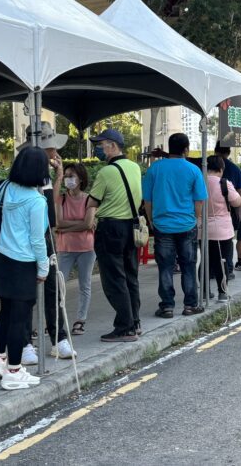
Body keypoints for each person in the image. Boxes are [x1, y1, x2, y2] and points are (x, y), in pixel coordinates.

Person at [0, 147, 50, 390]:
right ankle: (14, 371)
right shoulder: (36, 201)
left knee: (5, 311)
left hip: (2, 257)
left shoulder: (5, 189)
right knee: (20, 317)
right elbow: (38, 239)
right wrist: (43, 268)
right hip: (23, 262)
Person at [17, 122, 73, 363]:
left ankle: (58, 338)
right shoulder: (22, 176)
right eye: (52, 148)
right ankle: (25, 342)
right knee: (26, 291)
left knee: (52, 287)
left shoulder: (44, 173)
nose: (55, 153)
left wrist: (59, 176)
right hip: (26, 241)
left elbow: (51, 207)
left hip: (46, 237)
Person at [85, 128, 143, 341]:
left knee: (114, 279)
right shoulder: (134, 167)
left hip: (110, 229)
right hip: (131, 228)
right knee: (130, 276)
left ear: (112, 145)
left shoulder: (106, 172)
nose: (98, 149)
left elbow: (92, 201)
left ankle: (124, 327)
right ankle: (135, 322)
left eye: (100, 145)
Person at [143, 132, 207, 319]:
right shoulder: (193, 170)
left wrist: (151, 220)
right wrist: (196, 219)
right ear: (186, 149)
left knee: (165, 267)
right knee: (188, 265)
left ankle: (167, 307)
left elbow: (147, 200)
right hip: (187, 224)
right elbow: (199, 201)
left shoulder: (155, 169)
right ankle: (189, 305)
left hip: (162, 224)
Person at [55, 163, 96, 336]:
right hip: (64, 248)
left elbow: (88, 223)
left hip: (86, 248)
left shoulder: (89, 199)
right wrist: (79, 226)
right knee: (59, 286)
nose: (68, 179)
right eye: (66, 176)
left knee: (84, 284)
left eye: (71, 176)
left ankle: (80, 320)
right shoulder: (61, 198)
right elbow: (58, 222)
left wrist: (65, 228)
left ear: (81, 179)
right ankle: (57, 321)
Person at [205, 155, 241, 302]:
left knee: (206, 261)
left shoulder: (200, 181)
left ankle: (204, 292)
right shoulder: (224, 183)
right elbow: (236, 201)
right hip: (222, 229)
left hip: (202, 229)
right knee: (222, 260)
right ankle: (222, 292)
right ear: (221, 168)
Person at [215, 143, 241, 279]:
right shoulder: (235, 169)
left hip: (208, 213)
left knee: (210, 244)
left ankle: (211, 270)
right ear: (228, 151)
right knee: (227, 241)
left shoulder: (206, 166)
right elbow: (240, 192)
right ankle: (228, 270)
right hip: (229, 210)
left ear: (215, 151)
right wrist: (239, 211)